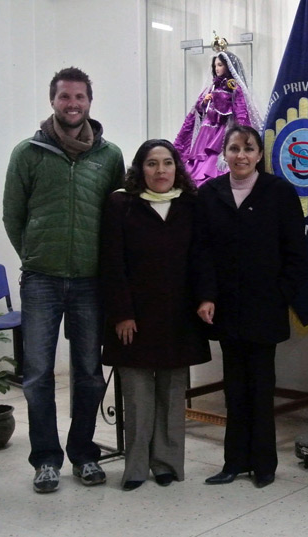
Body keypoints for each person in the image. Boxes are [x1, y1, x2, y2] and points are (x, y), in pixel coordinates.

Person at [3, 67, 125, 493]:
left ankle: (84, 454)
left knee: (89, 373)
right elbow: (12, 215)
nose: (72, 104)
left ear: (90, 101)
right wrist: (34, 256)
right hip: (41, 280)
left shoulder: (110, 156)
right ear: (52, 101)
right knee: (38, 374)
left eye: (79, 97)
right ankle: (46, 459)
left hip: (91, 281)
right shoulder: (28, 153)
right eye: (64, 97)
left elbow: (117, 219)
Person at [194, 125, 307, 489]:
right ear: (224, 153)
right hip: (226, 307)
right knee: (234, 388)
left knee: (261, 386)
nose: (241, 155)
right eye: (234, 148)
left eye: (248, 148)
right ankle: (234, 462)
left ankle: (264, 464)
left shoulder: (279, 192)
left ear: (260, 154)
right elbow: (202, 252)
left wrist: (281, 294)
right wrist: (206, 295)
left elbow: (296, 253)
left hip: (265, 306)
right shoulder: (209, 194)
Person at [99, 139, 211, 491]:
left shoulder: (190, 204)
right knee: (137, 396)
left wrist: (206, 297)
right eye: (152, 163)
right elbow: (112, 262)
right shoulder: (121, 204)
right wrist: (121, 313)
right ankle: (135, 467)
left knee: (172, 394)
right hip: (133, 317)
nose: (160, 170)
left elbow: (202, 257)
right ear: (140, 169)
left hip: (179, 315)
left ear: (177, 167)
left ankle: (166, 464)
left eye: (167, 163)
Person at [173, 51, 263, 186]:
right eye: (215, 65)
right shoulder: (212, 87)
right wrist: (204, 102)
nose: (217, 68)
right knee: (200, 158)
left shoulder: (234, 87)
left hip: (222, 130)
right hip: (206, 130)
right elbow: (198, 110)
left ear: (228, 66)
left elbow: (239, 109)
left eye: (220, 65)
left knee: (215, 158)